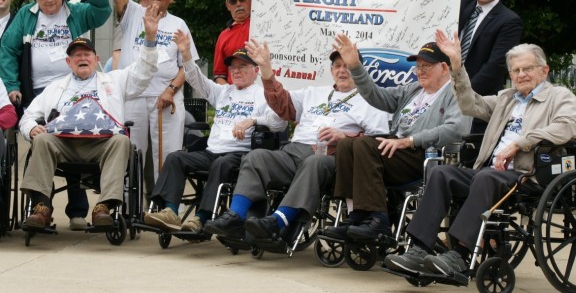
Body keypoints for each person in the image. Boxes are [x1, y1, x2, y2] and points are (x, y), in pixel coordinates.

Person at [383, 30, 576, 276]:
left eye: (527, 68)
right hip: (488, 172)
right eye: (516, 70)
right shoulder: (507, 98)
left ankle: (460, 254)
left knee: (487, 177)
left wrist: (522, 143)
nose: (521, 75)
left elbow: (568, 126)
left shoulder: (560, 96)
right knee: (442, 173)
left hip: (526, 174)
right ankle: (419, 249)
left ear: (544, 70)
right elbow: (469, 103)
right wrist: (457, 66)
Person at [204, 39, 390, 239]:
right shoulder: (314, 93)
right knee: (255, 157)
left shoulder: (370, 99)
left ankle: (279, 220)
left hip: (331, 157)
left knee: (314, 162)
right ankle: (236, 216)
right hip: (294, 151)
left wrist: (345, 136)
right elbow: (282, 105)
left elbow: (376, 142)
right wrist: (266, 71)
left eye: (347, 65)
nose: (342, 70)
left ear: (358, 68)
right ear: (331, 70)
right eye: (337, 66)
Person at [19, 6, 160, 230]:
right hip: (63, 143)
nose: (82, 58)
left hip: (101, 144)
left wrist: (150, 38)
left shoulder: (114, 81)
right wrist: (31, 129)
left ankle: (103, 207)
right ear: (68, 62)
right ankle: (41, 207)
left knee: (122, 140)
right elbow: (28, 116)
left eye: (86, 55)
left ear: (96, 59)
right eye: (77, 55)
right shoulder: (56, 88)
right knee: (42, 139)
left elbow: (145, 71)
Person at [322, 34, 471, 240]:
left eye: (425, 66)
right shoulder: (414, 89)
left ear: (444, 68)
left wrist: (410, 140)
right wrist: (355, 66)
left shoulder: (456, 92)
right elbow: (377, 96)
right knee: (347, 144)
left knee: (365, 144)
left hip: (423, 155)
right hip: (397, 150)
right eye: (417, 66)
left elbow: (456, 129)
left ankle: (377, 219)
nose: (419, 71)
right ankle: (356, 215)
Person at [0, 0, 112, 231]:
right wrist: (13, 85)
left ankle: (76, 211)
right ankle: (40, 207)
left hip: (73, 91)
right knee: (40, 145)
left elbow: (103, 9)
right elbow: (7, 49)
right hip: (36, 93)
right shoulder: (27, 16)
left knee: (72, 143)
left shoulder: (76, 12)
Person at [143, 41, 286, 232]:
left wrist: (252, 120)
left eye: (242, 66)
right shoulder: (223, 91)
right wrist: (186, 55)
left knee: (221, 164)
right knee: (175, 157)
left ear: (256, 70)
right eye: (233, 67)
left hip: (239, 154)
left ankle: (201, 218)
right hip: (212, 152)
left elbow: (280, 121)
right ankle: (170, 211)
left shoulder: (262, 95)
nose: (236, 71)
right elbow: (196, 79)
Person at [104, 0, 199, 183]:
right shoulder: (134, 13)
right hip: (133, 95)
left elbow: (186, 67)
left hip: (165, 99)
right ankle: (126, 207)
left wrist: (171, 90)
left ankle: (162, 207)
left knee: (166, 156)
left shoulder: (179, 24)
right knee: (129, 152)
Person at [458, 0, 523, 133]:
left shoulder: (509, 21)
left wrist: (462, 94)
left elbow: (496, 66)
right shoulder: (465, 3)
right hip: (446, 94)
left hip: (479, 101)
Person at [213, 0, 252, 85]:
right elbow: (219, 75)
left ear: (251, 0)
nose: (238, 4)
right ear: (227, 6)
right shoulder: (223, 36)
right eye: (233, 1)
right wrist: (231, 96)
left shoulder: (262, 25)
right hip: (235, 94)